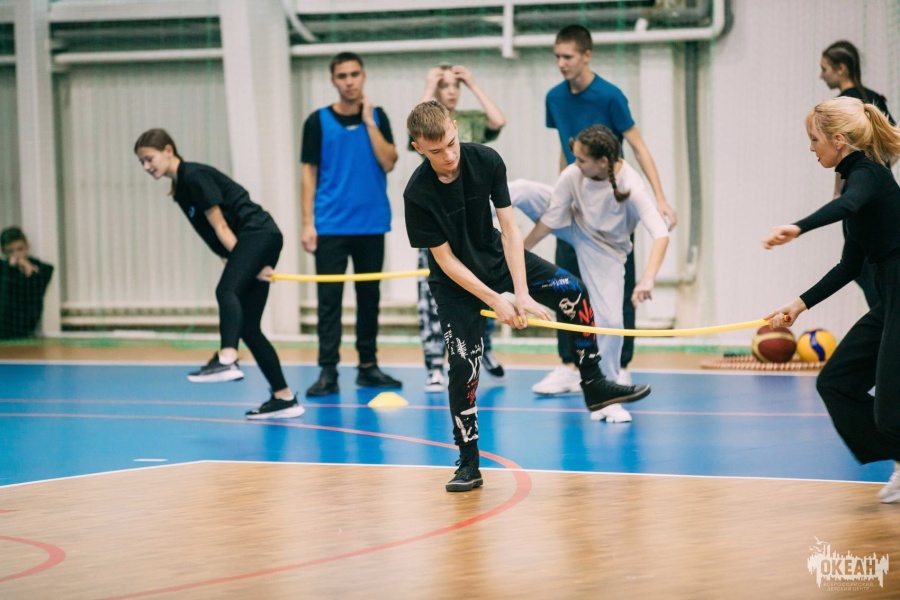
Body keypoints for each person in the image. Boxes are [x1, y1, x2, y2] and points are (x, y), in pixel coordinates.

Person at [404, 101, 650, 492]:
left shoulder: (486, 160)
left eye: (451, 143)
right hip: (455, 284)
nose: (448, 155)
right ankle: (468, 462)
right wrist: (496, 300)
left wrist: (520, 292)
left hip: (496, 258)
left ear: (455, 127)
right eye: (436, 151)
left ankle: (594, 383)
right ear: (418, 147)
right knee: (464, 365)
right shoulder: (417, 193)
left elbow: (510, 229)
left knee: (571, 291)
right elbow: (446, 262)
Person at [762, 96, 900, 503]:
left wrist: (798, 227)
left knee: (890, 411)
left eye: (814, 139)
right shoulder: (859, 179)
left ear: (839, 140)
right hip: (890, 301)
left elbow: (847, 203)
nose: (811, 148)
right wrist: (798, 304)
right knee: (836, 382)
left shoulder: (868, 174)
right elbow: (848, 265)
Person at [536, 24, 677, 403]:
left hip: (612, 207)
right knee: (564, 283)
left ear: (586, 55)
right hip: (577, 203)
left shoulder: (610, 96)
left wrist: (660, 198)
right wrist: (562, 192)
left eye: (568, 56)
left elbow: (639, 147)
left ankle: (621, 365)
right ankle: (570, 365)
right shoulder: (554, 97)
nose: (561, 63)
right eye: (557, 57)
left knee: (619, 288)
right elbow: (565, 149)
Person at [134, 128, 304, 420]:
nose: (147, 167)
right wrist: (242, 263)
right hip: (252, 243)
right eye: (142, 162)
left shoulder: (194, 176)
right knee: (248, 327)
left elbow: (221, 226)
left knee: (225, 291)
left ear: (168, 151)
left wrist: (246, 262)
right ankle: (284, 397)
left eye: (149, 158)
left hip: (257, 234)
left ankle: (227, 357)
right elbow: (211, 235)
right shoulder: (180, 189)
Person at [510, 125, 669, 423]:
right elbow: (550, 220)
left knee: (611, 323)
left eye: (582, 160)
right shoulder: (573, 174)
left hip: (606, 250)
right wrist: (516, 253)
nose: (576, 164)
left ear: (603, 162)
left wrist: (648, 278)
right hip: (574, 222)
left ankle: (608, 397)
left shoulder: (631, 184)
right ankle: (472, 214)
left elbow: (660, 233)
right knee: (522, 189)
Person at [300, 51, 402, 397]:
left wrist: (370, 122)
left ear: (363, 76)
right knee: (328, 301)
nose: (349, 81)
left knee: (369, 299)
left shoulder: (379, 116)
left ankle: (368, 367)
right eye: (342, 76)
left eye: (354, 74)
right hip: (330, 225)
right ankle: (328, 371)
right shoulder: (317, 121)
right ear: (333, 81)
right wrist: (307, 223)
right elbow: (309, 173)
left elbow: (389, 162)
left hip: (371, 223)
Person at [414, 63, 507, 392]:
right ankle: (433, 363)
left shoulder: (469, 119)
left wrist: (473, 83)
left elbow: (498, 121)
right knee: (432, 296)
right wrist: (429, 85)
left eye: (456, 86)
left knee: (486, 288)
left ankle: (485, 349)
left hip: (474, 221)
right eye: (445, 86)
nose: (451, 91)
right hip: (438, 220)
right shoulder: (427, 130)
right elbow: (415, 125)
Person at [819, 40, 896, 309]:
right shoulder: (875, 99)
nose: (821, 75)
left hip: (859, 201)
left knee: (863, 270)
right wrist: (880, 171)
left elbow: (841, 154)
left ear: (841, 68)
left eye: (825, 69)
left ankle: (882, 321)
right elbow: (894, 143)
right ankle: (884, 320)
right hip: (884, 201)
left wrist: (839, 192)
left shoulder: (840, 106)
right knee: (877, 269)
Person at [0, 226, 54, 340]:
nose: (16, 255)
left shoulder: (40, 268)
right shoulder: (3, 269)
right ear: (5, 252)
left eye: (20, 249)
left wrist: (30, 274)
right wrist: (10, 270)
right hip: (4, 324)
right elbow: (5, 296)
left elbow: (37, 293)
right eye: (11, 251)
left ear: (27, 247)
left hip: (25, 325)